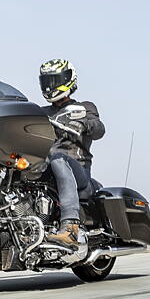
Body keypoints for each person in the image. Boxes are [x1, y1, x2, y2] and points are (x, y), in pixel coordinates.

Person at [38, 59, 105, 248]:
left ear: (68, 80)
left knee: (58, 158)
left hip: (78, 171)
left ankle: (70, 227)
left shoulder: (84, 108)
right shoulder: (40, 113)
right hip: (46, 169)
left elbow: (99, 129)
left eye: (54, 80)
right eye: (47, 81)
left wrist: (83, 123)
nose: (50, 86)